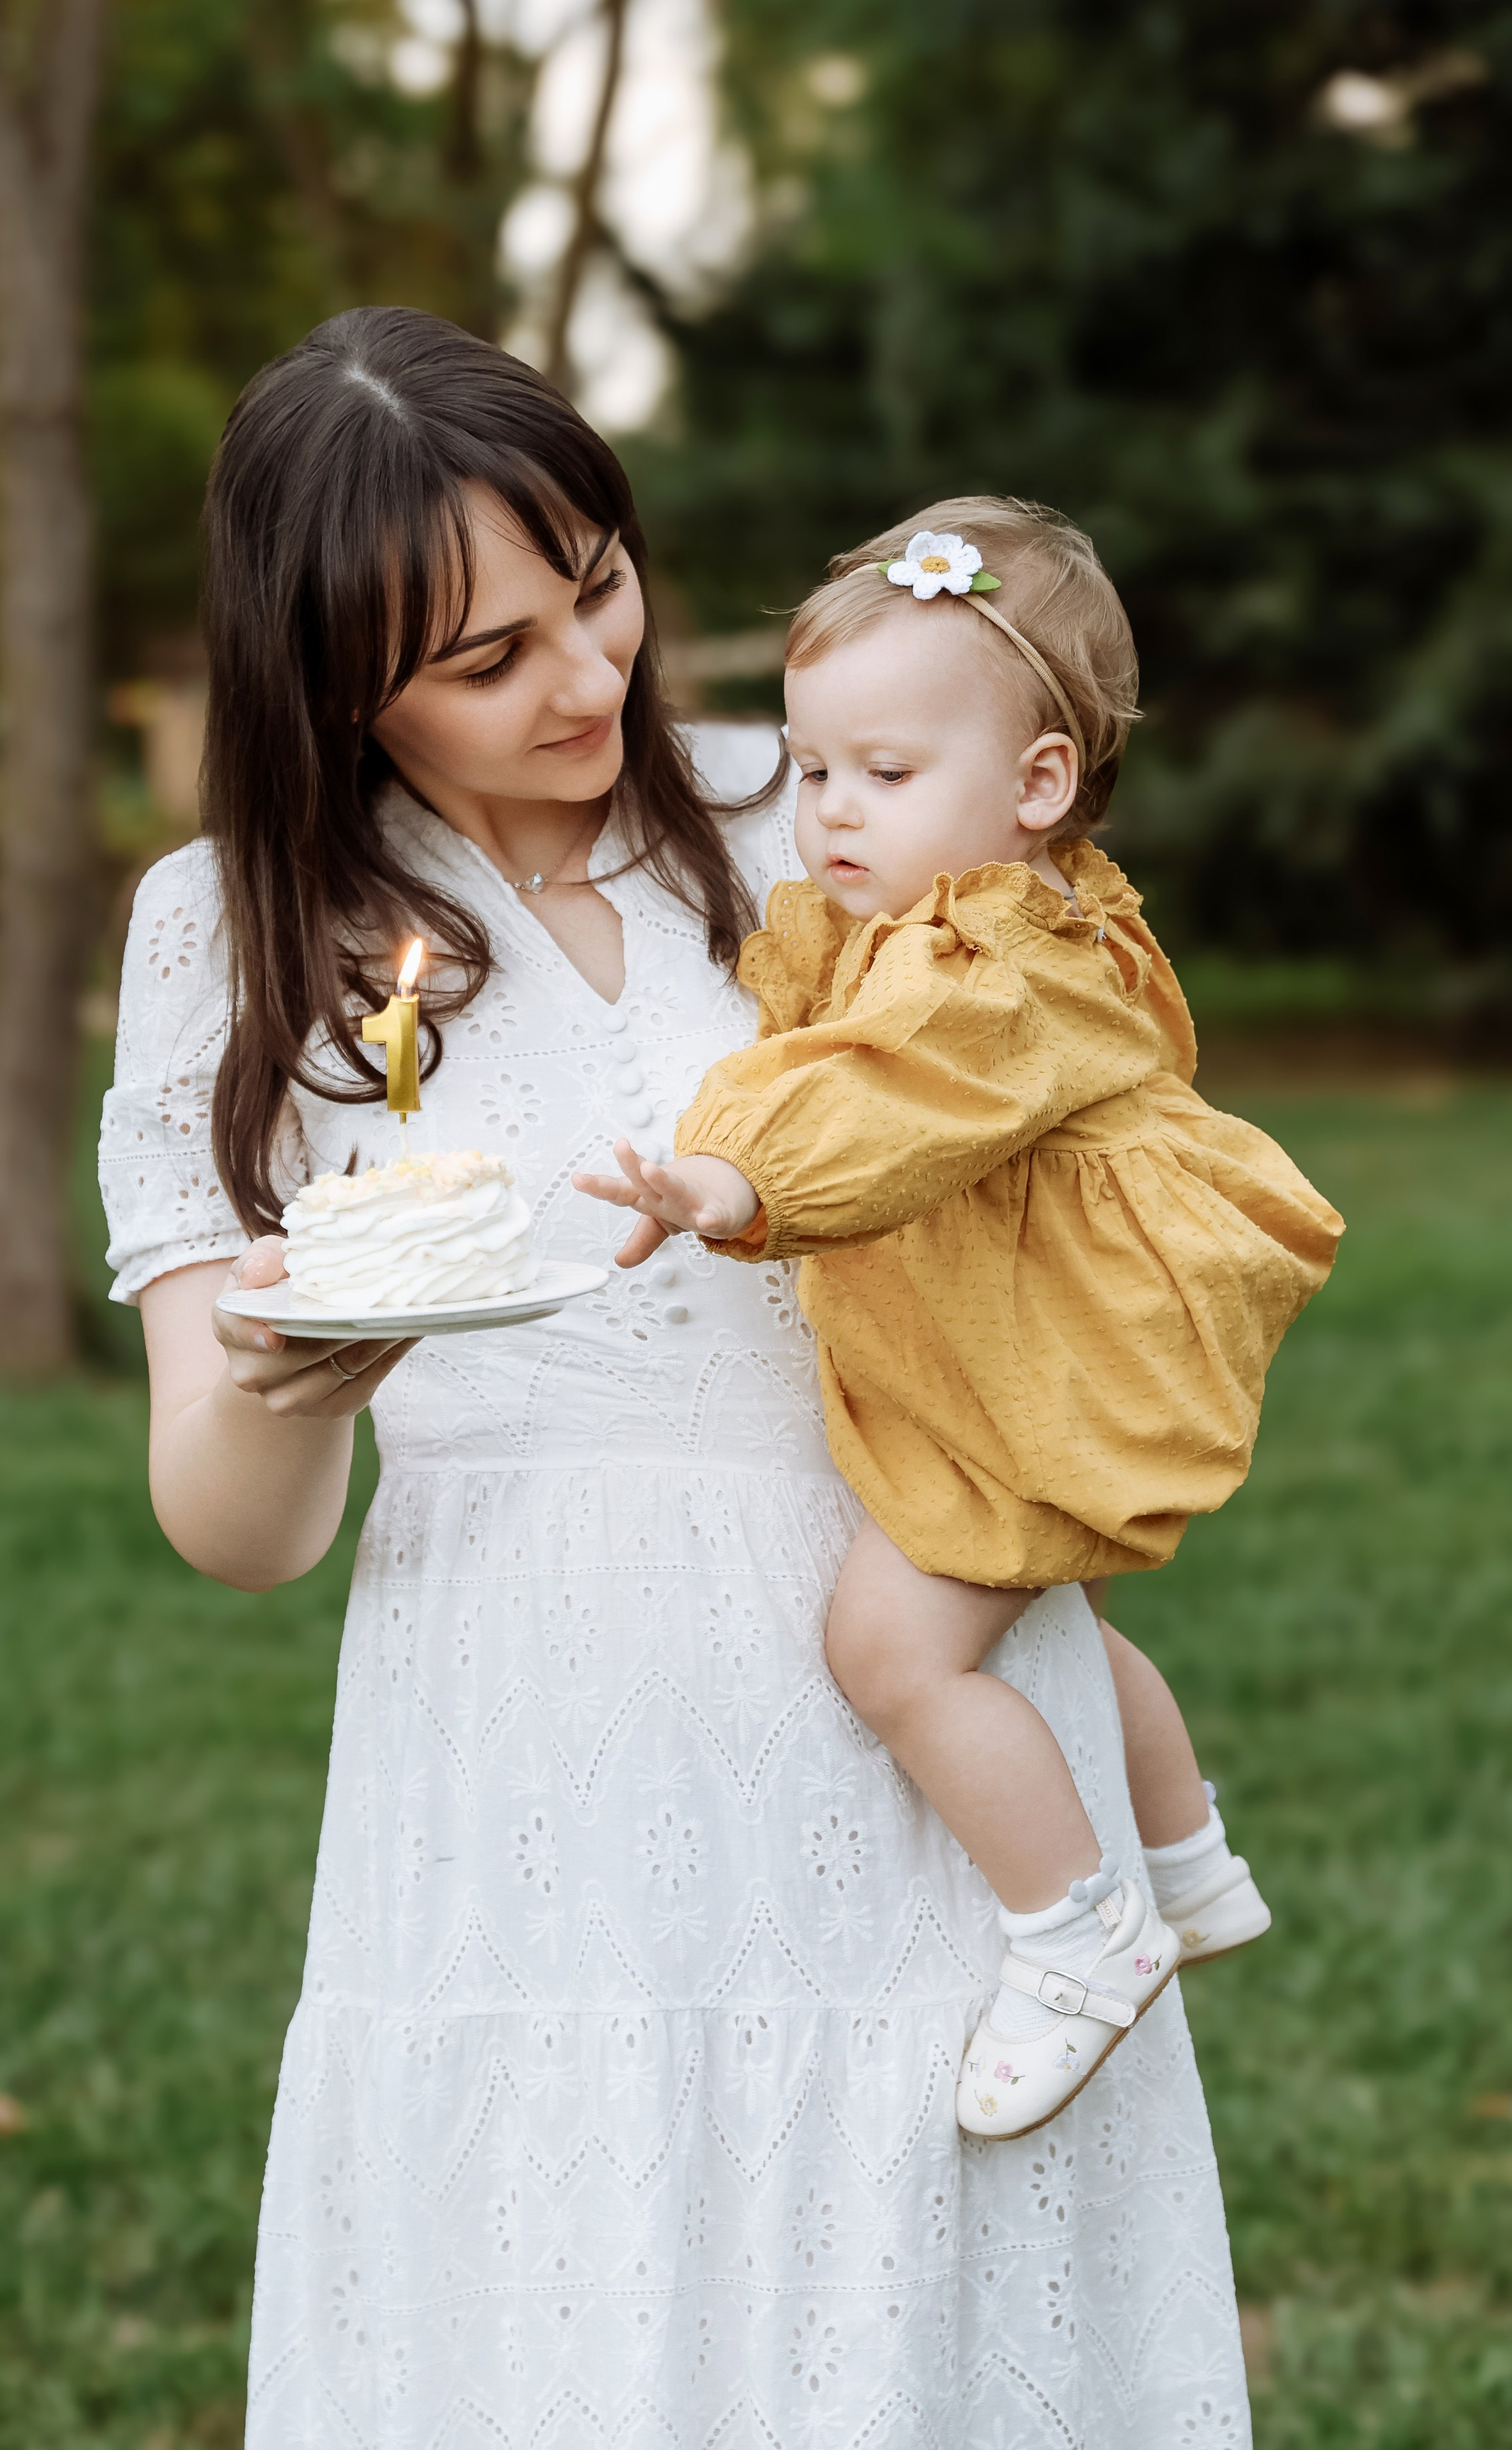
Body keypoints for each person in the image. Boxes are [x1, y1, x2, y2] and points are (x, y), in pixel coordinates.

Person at [100, 312, 1304, 2450]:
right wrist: (284, 1368)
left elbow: (1085, 1087)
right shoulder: (221, 936)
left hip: (909, 1712)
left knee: (934, 2404)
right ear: (333, 683)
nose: (589, 674)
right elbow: (235, 1532)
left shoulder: (835, 809)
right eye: (487, 655)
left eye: (603, 586)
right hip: (532, 1774)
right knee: (581, 2399)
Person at [580, 500, 1342, 2140]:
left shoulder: (994, 966)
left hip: (1036, 1362)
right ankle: (1188, 1853)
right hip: (1017, 1338)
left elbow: (886, 1091)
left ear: (1036, 786)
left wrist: (732, 1182)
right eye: (814, 770)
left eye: (885, 772)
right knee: (1052, 1618)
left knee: (892, 1647)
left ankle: (1080, 1930)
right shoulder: (989, 906)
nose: (832, 811)